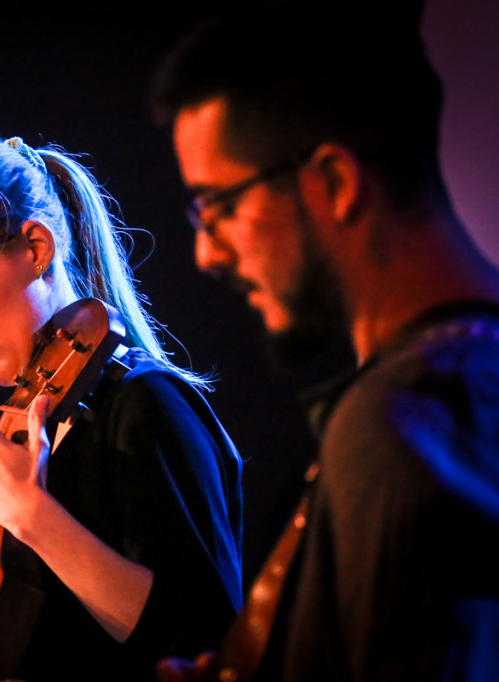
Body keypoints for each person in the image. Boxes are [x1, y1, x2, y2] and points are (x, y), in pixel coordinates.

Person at [152, 3, 499, 680]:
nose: (205, 253)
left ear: (336, 182)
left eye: (219, 206)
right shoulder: (456, 388)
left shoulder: (405, 423)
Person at [0, 127, 243, 680]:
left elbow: (204, 641)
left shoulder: (145, 404)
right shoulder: (34, 424)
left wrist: (30, 514)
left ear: (35, 249)